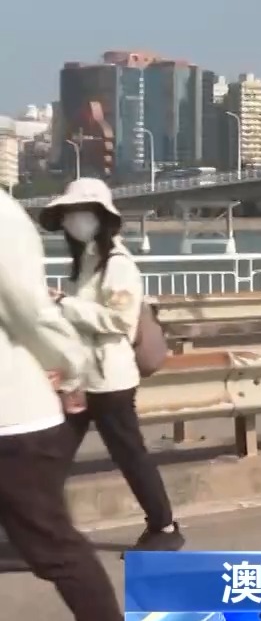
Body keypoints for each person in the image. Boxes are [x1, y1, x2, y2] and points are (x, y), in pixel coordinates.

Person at [0, 191, 129, 621]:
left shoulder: (2, 218)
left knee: (52, 545)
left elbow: (30, 309)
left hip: (14, 417)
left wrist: (71, 365)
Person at [40, 178, 183, 552]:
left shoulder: (118, 265)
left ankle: (165, 528)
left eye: (79, 212)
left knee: (129, 455)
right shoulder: (88, 262)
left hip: (109, 381)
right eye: (67, 214)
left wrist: (65, 304)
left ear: (101, 217)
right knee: (50, 457)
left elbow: (120, 320)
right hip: (82, 379)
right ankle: (36, 534)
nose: (72, 220)